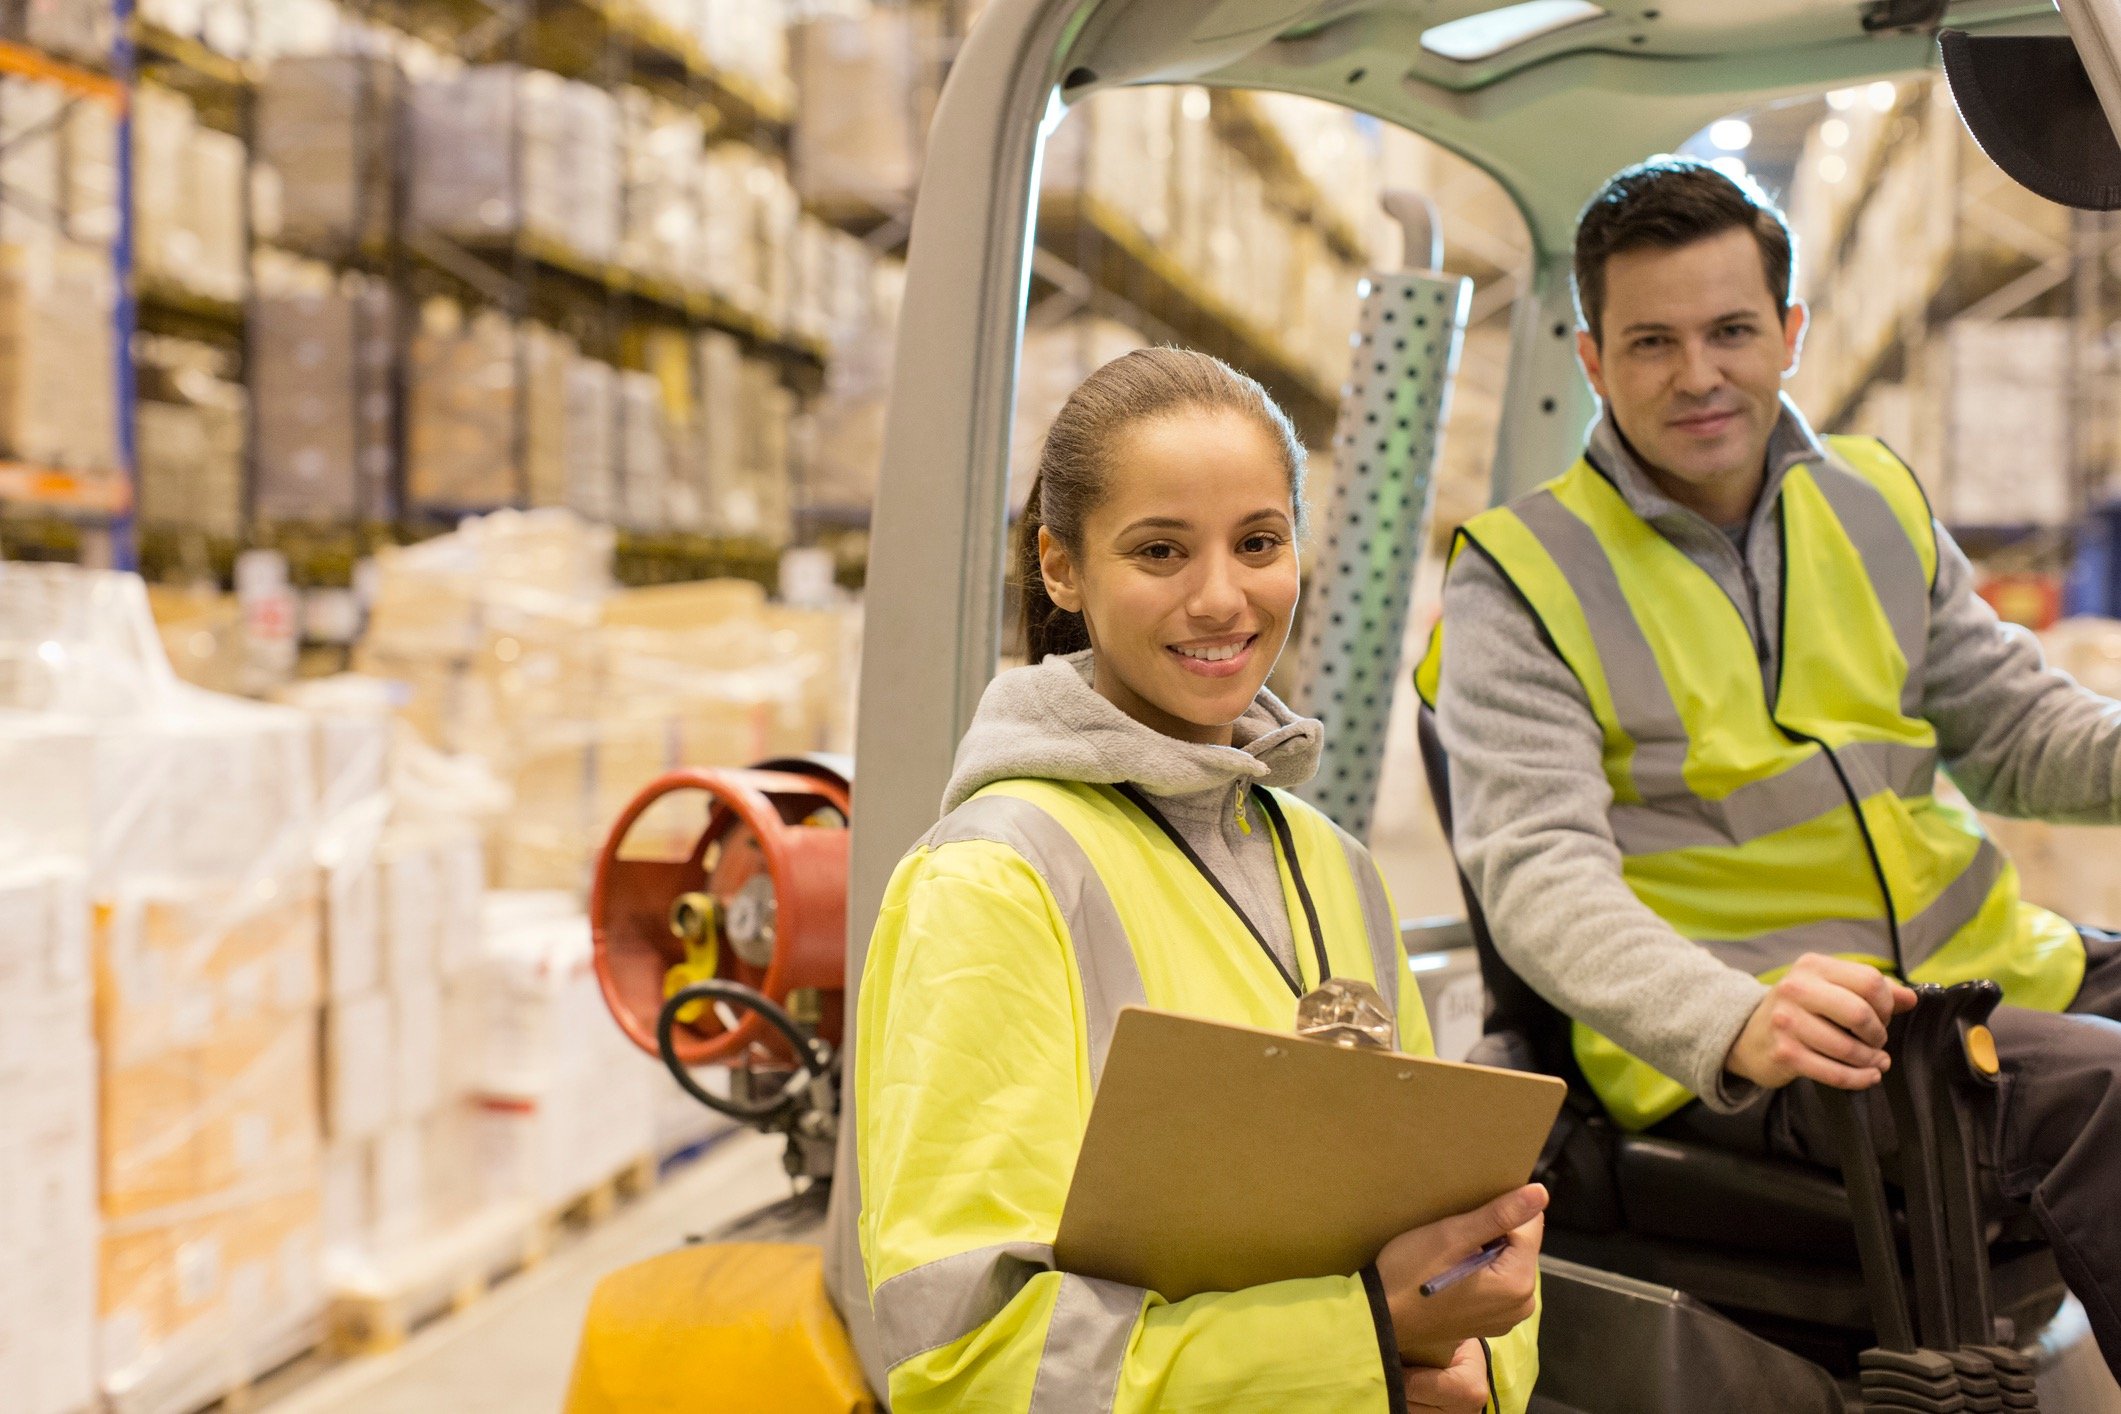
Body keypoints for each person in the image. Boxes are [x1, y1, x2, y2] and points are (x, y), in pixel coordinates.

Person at [1416, 156, 2121, 1368]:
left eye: (1731, 331)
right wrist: (1728, 1017)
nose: (1698, 374)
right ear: (1593, 361)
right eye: (1652, 342)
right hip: (1769, 1038)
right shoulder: (1521, 577)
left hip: (1982, 979)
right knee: (2111, 1095)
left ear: (1790, 333)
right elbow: (1539, 875)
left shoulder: (1875, 500)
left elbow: (2016, 735)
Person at [855, 348, 1544, 1413]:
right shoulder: (994, 880)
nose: (1221, 597)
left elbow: (1449, 1204)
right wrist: (1369, 1346)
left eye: (1258, 543)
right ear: (1061, 568)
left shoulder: (1334, 866)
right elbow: (969, 1362)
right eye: (1160, 551)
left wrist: (1477, 1358)